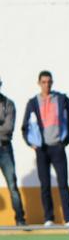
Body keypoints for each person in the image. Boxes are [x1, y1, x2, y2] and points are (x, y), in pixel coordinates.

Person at [21, 70, 69, 227]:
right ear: (39, 83)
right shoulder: (33, 103)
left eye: (49, 82)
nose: (47, 85)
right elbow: (24, 127)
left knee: (63, 184)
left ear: (52, 83)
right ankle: (49, 218)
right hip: (42, 150)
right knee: (45, 185)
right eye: (44, 82)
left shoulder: (62, 99)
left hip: (58, 147)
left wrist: (66, 141)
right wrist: (30, 143)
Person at [0, 77, 26, 226]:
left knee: (12, 185)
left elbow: (8, 128)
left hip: (4, 149)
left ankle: (20, 220)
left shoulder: (8, 104)